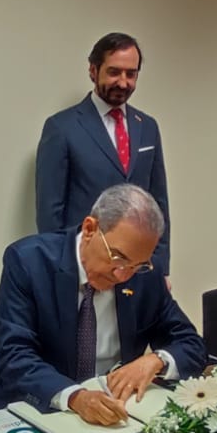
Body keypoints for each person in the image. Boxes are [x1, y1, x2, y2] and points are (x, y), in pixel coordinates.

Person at [0, 184, 205, 425]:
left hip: (112, 415)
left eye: (137, 265)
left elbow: (192, 345)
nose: (123, 275)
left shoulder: (146, 275)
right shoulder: (29, 261)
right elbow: (14, 356)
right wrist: (75, 397)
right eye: (118, 258)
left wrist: (156, 360)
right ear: (90, 229)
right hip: (38, 410)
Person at [36, 32, 172, 281]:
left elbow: (159, 203)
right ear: (93, 70)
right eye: (114, 72)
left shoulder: (148, 127)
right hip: (87, 268)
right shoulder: (62, 127)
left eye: (131, 74)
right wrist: (58, 271)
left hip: (137, 269)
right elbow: (50, 211)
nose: (123, 82)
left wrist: (161, 270)